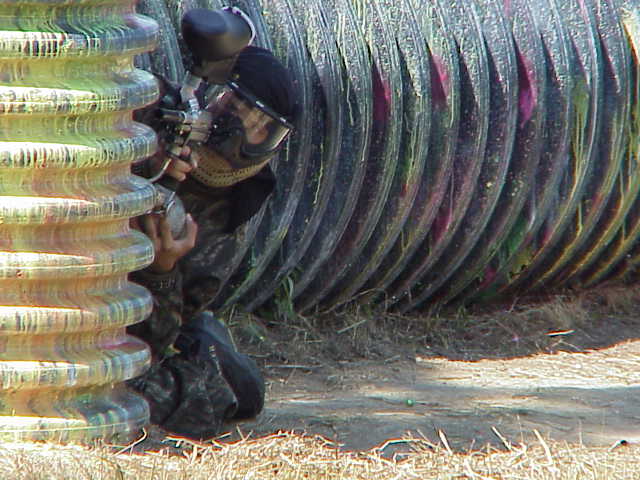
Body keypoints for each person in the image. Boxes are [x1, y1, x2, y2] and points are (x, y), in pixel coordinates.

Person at [127, 44, 299, 440]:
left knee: (211, 394)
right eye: (232, 108)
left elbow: (149, 345)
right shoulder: (148, 107)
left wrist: (162, 271)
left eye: (259, 129)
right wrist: (140, 163)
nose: (236, 132)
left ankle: (209, 347)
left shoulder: (225, 218)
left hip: (108, 327)